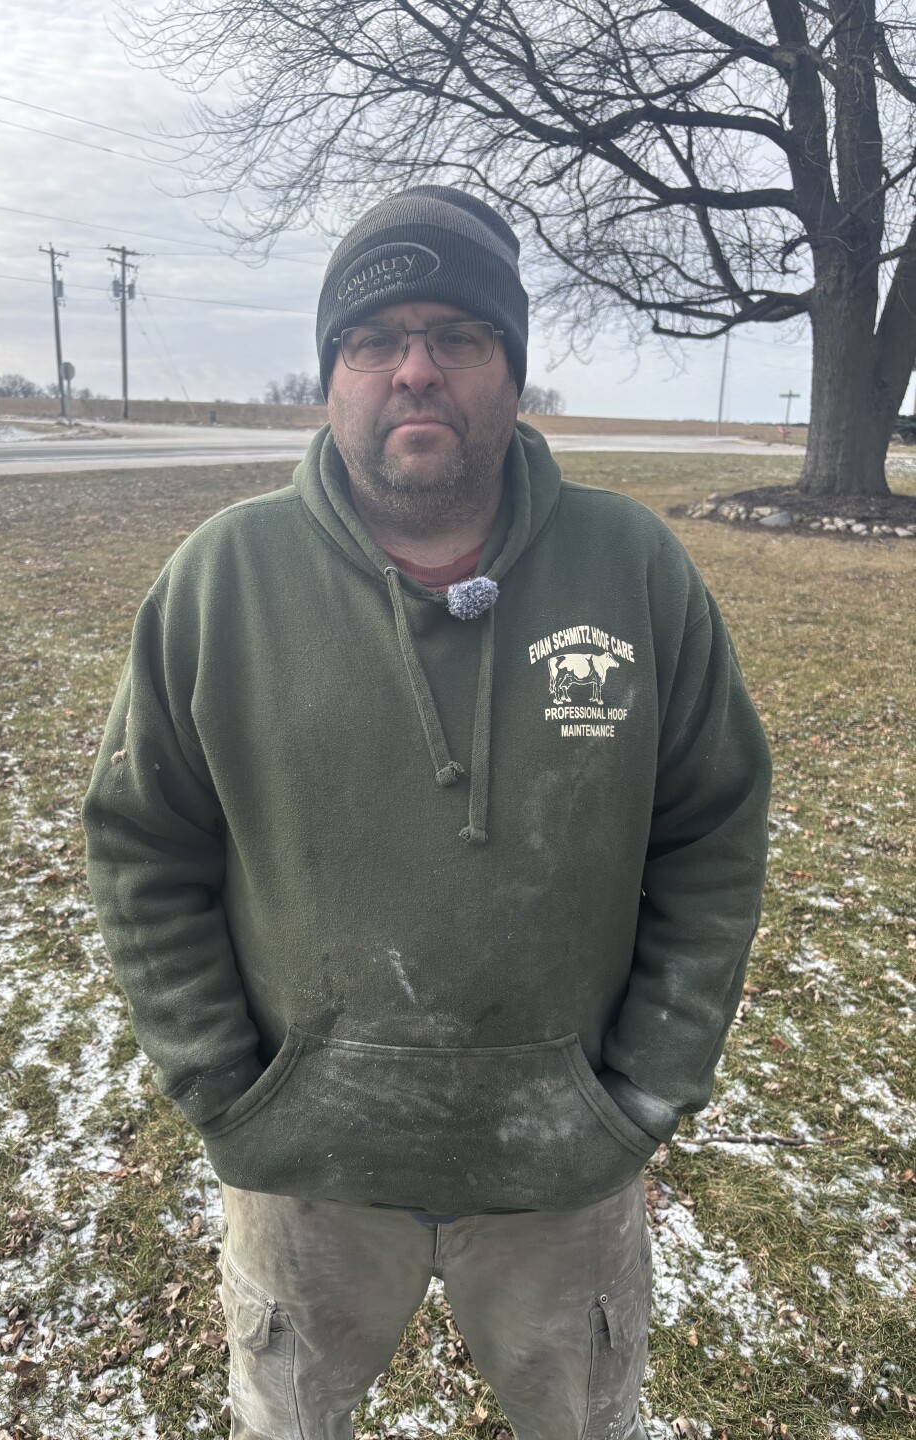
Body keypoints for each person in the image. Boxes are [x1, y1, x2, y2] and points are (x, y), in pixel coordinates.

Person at [82, 186, 771, 1440]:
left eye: (458, 336)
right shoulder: (221, 583)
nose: (415, 370)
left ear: (511, 371)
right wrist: (228, 1090)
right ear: (331, 377)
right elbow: (143, 842)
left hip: (564, 1171)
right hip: (307, 1177)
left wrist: (647, 1087)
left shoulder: (636, 572)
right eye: (373, 340)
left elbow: (712, 830)